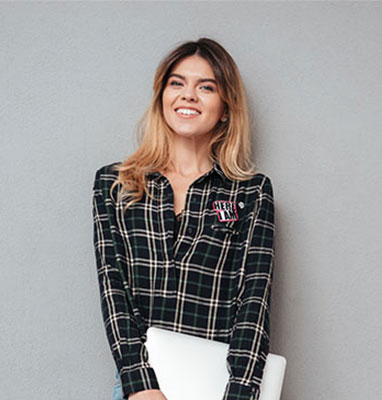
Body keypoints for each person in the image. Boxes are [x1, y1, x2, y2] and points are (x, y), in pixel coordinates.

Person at [92, 37, 275, 400]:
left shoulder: (250, 193)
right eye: (177, 83)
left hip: (220, 385)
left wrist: (240, 392)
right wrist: (140, 384)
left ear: (225, 108)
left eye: (206, 87)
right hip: (141, 385)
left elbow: (254, 302)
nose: (188, 95)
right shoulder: (116, 184)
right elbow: (114, 289)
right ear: (162, 97)